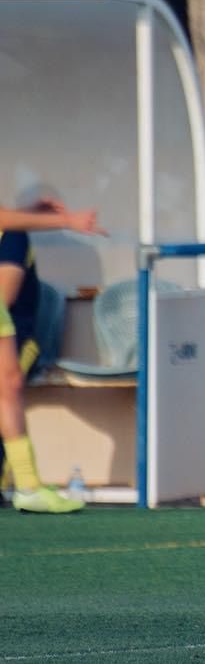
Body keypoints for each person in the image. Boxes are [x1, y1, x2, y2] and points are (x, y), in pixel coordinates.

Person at [0, 198, 104, 513]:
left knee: (8, 385)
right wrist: (67, 221)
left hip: (16, 328)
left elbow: (5, 295)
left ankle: (28, 486)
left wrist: (32, 216)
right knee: (7, 386)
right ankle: (28, 486)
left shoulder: (13, 235)